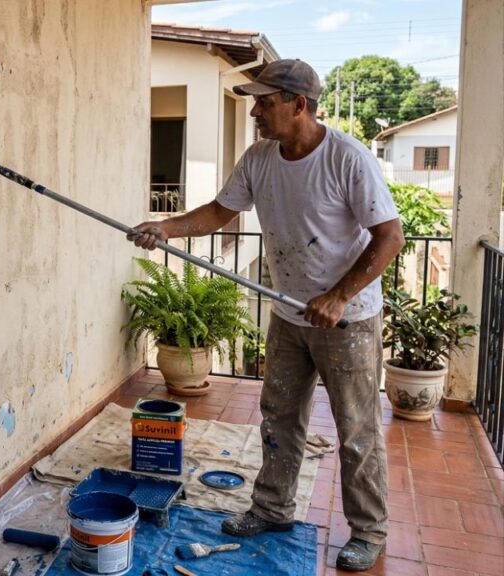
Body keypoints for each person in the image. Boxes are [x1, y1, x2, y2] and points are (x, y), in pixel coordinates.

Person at [128, 59, 405, 572]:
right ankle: (273, 508)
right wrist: (166, 228)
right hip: (288, 314)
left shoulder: (347, 158)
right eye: (255, 102)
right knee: (279, 417)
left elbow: (390, 236)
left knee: (356, 429)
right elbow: (219, 212)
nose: (255, 111)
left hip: (347, 321)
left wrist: (339, 296)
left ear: (299, 105)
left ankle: (368, 531)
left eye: (265, 102)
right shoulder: (259, 158)